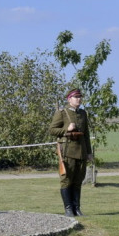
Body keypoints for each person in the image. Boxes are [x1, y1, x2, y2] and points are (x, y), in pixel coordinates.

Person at [49, 88, 92, 217]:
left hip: (81, 151)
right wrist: (66, 129)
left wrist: (88, 152)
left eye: (80, 97)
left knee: (78, 180)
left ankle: (77, 208)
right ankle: (68, 209)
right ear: (69, 99)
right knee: (66, 180)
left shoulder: (83, 113)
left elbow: (86, 135)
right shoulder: (62, 113)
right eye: (76, 97)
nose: (79, 99)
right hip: (67, 151)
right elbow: (52, 130)